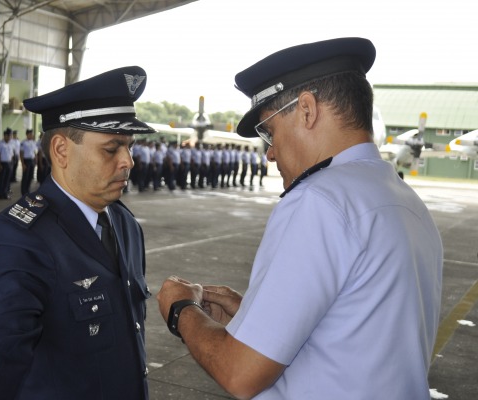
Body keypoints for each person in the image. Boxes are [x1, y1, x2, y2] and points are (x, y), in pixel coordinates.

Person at [156, 37, 443, 399]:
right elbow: (360, 335)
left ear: (306, 109)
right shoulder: (403, 199)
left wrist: (181, 309)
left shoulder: (319, 200)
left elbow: (240, 374)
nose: (271, 153)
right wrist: (256, 319)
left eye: (270, 132)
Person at [0, 66, 156, 400]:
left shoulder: (124, 223)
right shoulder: (20, 239)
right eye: (111, 148)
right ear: (61, 150)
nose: (127, 161)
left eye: (129, 147)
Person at [19, 128, 38, 195]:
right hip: (26, 161)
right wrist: (23, 164)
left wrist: (36, 160)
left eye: (31, 134)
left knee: (30, 177)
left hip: (32, 161)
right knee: (25, 177)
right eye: (30, 134)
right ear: (27, 135)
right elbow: (21, 154)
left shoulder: (33, 142)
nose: (31, 135)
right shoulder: (23, 143)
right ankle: (23, 191)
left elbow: (35, 152)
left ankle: (27, 190)